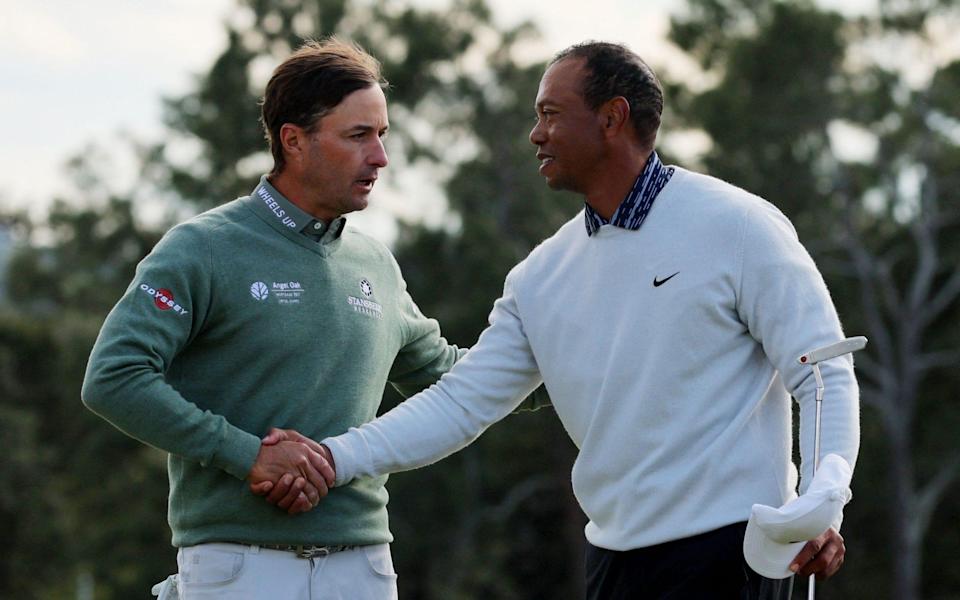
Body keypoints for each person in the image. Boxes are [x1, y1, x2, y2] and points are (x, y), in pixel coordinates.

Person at [309, 41, 861, 599]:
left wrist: (824, 499)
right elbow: (459, 402)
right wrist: (332, 458)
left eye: (550, 114)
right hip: (613, 566)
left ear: (611, 118)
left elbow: (821, 372)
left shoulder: (738, 225)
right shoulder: (540, 277)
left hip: (732, 556)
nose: (536, 133)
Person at [82, 37, 544, 600]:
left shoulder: (375, 263)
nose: (380, 157)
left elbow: (456, 379)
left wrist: (578, 365)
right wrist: (247, 455)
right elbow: (114, 377)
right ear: (294, 141)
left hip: (365, 566)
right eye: (358, 136)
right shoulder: (201, 248)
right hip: (236, 565)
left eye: (382, 134)